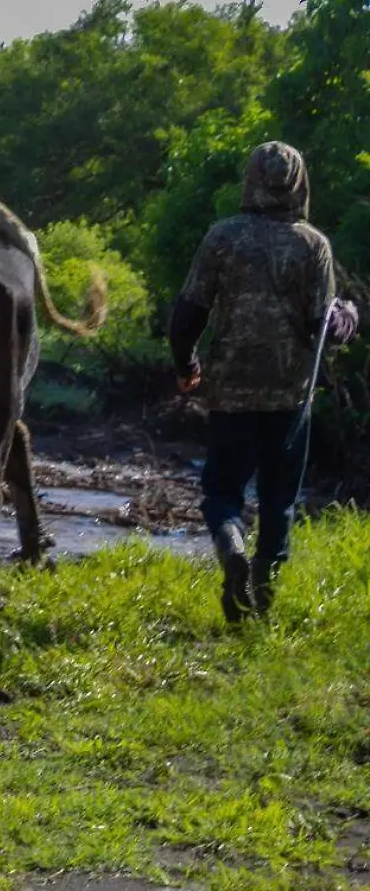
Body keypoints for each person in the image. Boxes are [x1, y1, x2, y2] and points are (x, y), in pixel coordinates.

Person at [171, 141, 357, 622]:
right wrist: (349, 319)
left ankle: (231, 541)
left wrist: (186, 365)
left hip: (230, 390)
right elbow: (324, 331)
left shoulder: (222, 237)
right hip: (290, 394)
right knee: (279, 500)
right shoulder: (313, 244)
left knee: (221, 490)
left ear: (251, 180)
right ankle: (264, 594)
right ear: (299, 183)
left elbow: (188, 312)